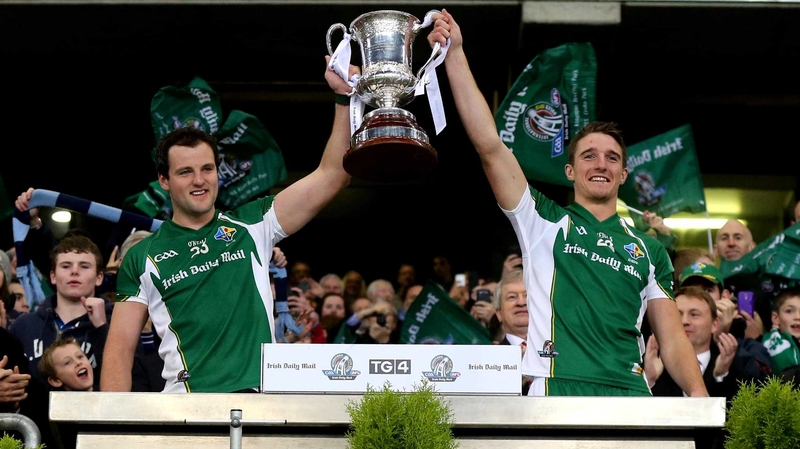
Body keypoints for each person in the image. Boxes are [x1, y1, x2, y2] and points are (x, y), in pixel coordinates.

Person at [427, 10, 707, 397]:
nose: (601, 164)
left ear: (623, 175)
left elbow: (672, 336)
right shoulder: (542, 220)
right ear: (570, 171)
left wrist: (699, 397)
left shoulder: (650, 249)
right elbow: (490, 146)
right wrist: (455, 54)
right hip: (557, 387)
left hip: (630, 391)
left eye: (612, 158)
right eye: (589, 155)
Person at [100, 57, 356, 393]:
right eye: (184, 172)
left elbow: (334, 174)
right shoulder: (142, 256)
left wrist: (344, 99)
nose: (199, 181)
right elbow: (119, 352)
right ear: (163, 180)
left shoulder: (254, 223)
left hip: (259, 406)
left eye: (207, 169)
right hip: (186, 414)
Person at [646, 286, 763, 407]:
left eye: (694, 314)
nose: (684, 321)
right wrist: (649, 380)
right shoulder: (655, 366)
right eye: (677, 314)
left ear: (714, 324)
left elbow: (740, 416)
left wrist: (721, 376)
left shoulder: (736, 365)